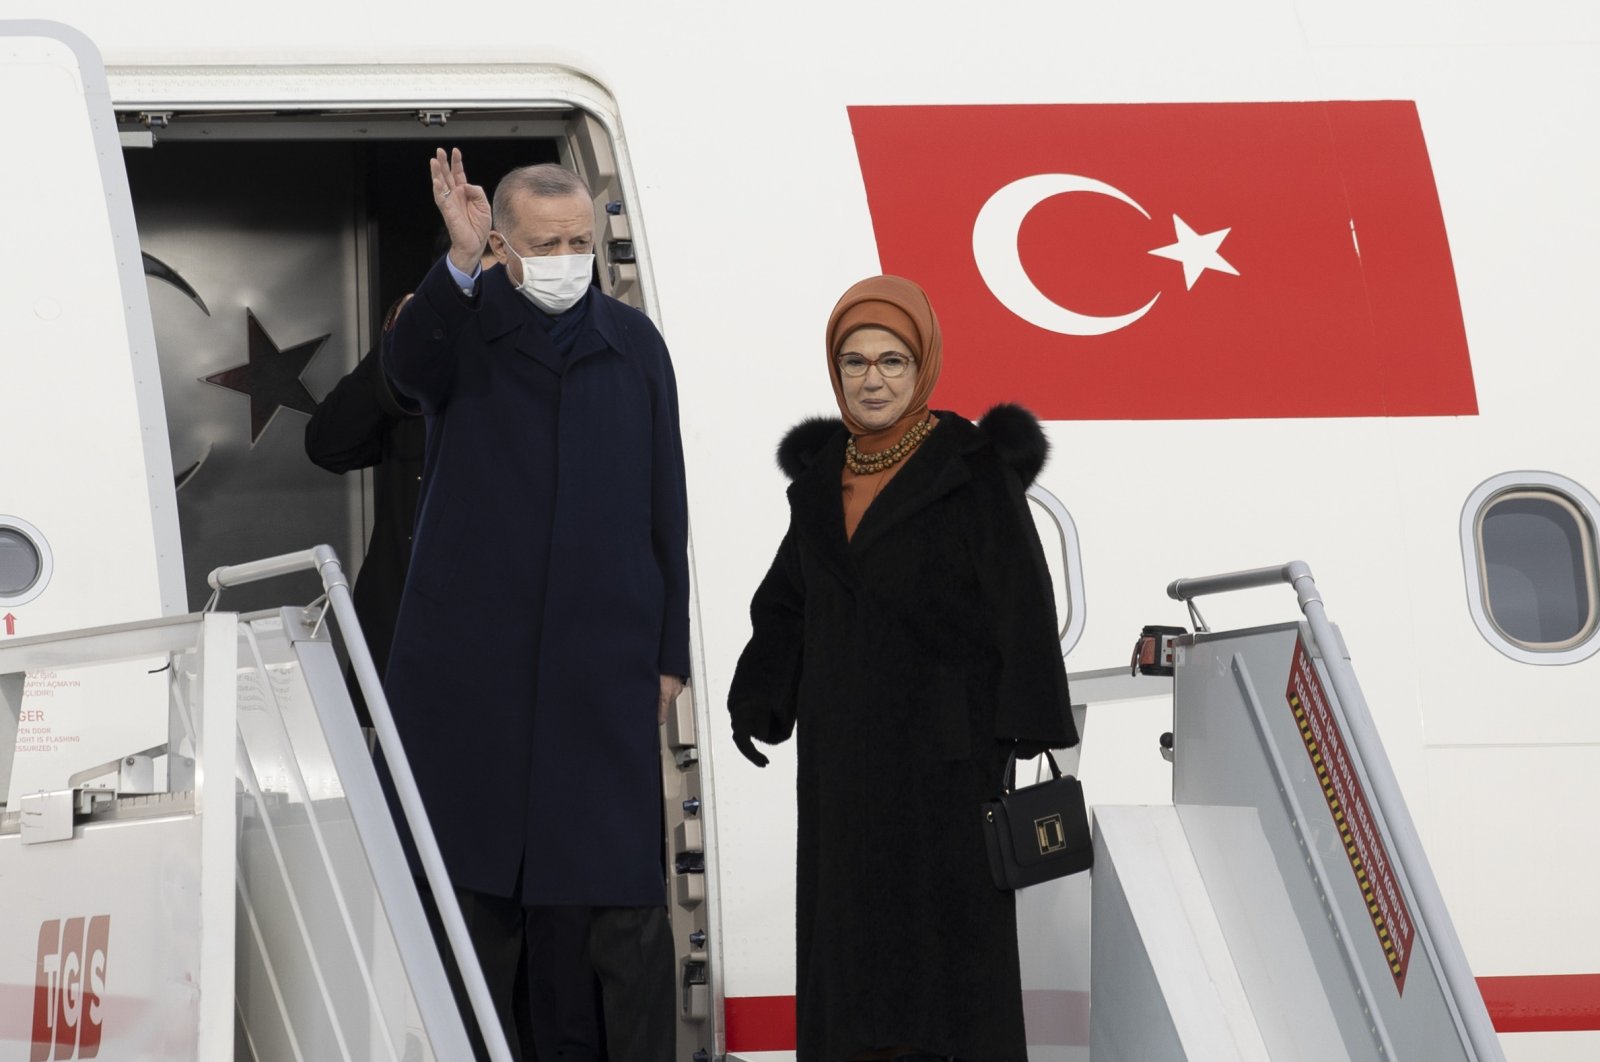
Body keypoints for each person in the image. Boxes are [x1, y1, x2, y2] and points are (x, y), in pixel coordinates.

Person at [381, 148, 689, 1062]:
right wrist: (458, 262)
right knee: (476, 901)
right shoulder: (461, 325)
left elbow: (664, 508)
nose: (567, 258)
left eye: (579, 242)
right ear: (506, 245)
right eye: (546, 243)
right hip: (475, 675)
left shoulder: (634, 345)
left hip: (602, 669)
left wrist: (668, 652)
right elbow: (406, 369)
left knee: (619, 909)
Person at [727, 275, 1077, 1062]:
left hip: (946, 758)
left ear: (924, 368)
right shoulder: (820, 483)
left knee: (946, 963)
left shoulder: (972, 466)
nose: (873, 379)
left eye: (893, 360)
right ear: (834, 370)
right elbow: (787, 602)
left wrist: (1023, 732)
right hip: (842, 759)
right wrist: (761, 694)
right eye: (855, 362)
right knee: (847, 946)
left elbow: (1021, 596)